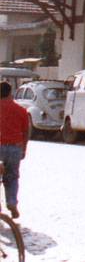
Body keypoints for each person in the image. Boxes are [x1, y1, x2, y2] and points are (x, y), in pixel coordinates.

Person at [0, 81, 31, 218]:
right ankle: (11, 201)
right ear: (9, 92)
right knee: (11, 176)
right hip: (15, 147)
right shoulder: (20, 109)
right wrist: (23, 149)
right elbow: (25, 131)